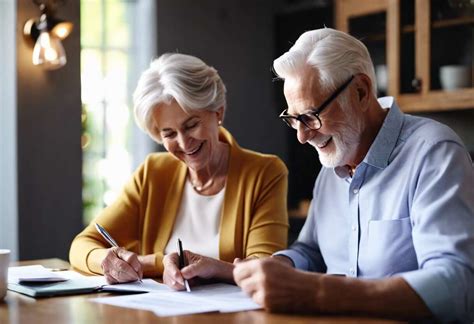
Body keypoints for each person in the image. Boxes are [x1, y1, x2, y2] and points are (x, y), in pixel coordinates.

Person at [233, 28, 474, 322]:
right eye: (293, 119)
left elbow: (456, 284)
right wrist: (274, 267)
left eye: (310, 116)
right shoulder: (333, 161)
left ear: (360, 92)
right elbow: (310, 251)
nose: (301, 136)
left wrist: (319, 292)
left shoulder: (434, 152)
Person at [70, 53, 289, 289]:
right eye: (169, 134)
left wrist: (212, 267)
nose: (184, 143)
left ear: (218, 113)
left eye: (191, 125)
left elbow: (266, 266)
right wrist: (108, 260)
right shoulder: (152, 173)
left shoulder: (265, 172)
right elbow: (83, 244)